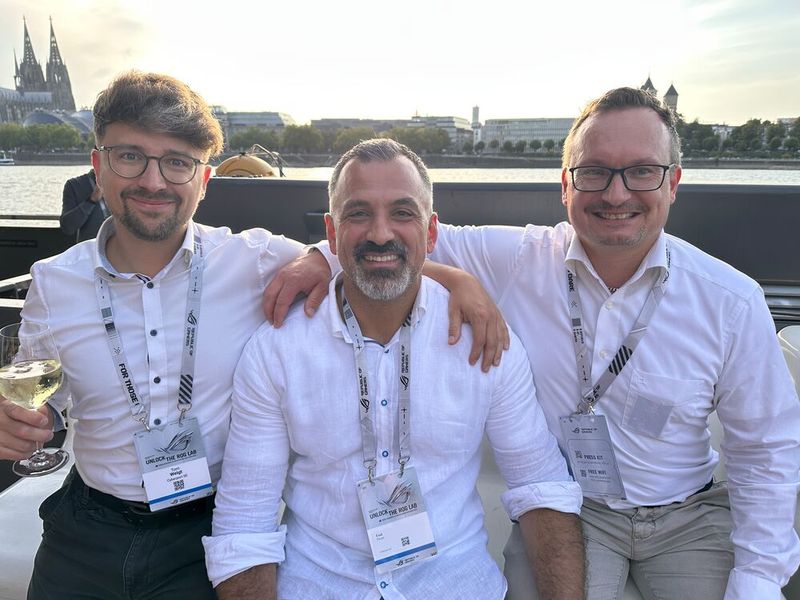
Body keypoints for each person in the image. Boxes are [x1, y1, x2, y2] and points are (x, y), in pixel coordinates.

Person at [265, 88, 800, 600]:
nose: (616, 194)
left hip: (691, 516)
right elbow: (391, 237)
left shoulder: (730, 300)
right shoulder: (520, 258)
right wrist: (318, 257)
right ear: (565, 186)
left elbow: (767, 448)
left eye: (641, 172)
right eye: (593, 173)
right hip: (575, 508)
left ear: (673, 182)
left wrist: (758, 577)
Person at [204, 138, 585, 600]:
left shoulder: (483, 340)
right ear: (331, 231)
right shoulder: (276, 351)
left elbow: (540, 486)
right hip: (320, 585)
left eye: (402, 213)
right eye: (359, 213)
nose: (381, 233)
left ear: (429, 233)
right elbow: (246, 522)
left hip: (455, 585)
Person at [0, 71, 309, 600]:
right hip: (84, 531)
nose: (153, 181)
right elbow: (50, 400)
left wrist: (457, 281)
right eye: (129, 156)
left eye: (177, 162)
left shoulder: (256, 260)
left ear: (204, 181)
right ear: (98, 167)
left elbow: (373, 254)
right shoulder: (53, 281)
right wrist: (25, 419)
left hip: (210, 531)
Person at [59, 168, 109, 242]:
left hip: (124, 250)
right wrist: (91, 200)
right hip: (90, 251)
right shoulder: (74, 185)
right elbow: (67, 227)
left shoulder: (126, 183)